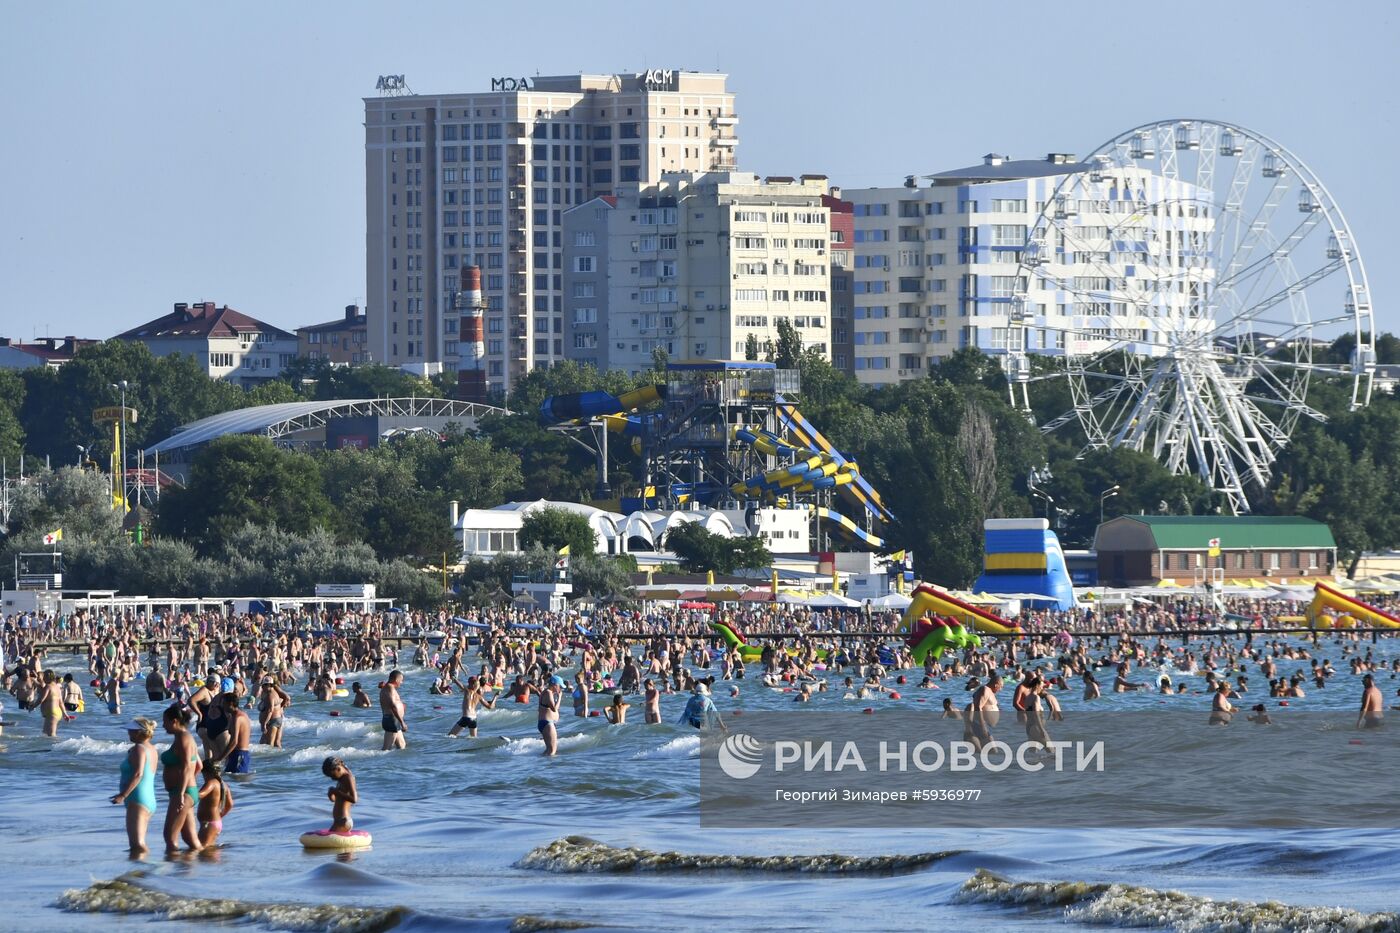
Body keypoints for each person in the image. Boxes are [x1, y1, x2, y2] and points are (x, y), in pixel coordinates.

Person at [111, 717, 158, 856]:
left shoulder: (139, 748)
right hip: (147, 799)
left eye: (131, 731)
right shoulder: (151, 748)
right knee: (137, 844)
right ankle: (140, 873)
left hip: (138, 799)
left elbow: (138, 774)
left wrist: (122, 795)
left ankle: (148, 873)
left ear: (139, 732)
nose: (129, 734)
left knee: (137, 845)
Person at [159, 705, 203, 854]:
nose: (163, 725)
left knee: (170, 836)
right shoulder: (182, 738)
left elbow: (186, 767)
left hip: (182, 793)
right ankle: (200, 866)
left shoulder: (184, 739)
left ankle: (171, 872)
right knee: (190, 839)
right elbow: (199, 765)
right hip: (185, 792)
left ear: (175, 721)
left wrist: (181, 792)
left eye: (165, 721)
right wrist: (189, 782)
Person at [197, 759, 234, 848]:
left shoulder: (211, 783)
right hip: (215, 822)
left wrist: (188, 791)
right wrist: (220, 815)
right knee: (209, 848)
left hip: (209, 823)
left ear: (207, 772)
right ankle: (216, 860)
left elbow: (200, 795)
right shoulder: (224, 785)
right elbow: (230, 804)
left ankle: (216, 860)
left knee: (203, 848)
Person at [220, 693, 253, 775]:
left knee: (237, 782)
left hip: (240, 754)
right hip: (236, 754)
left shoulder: (238, 718)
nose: (222, 706)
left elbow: (234, 741)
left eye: (223, 703)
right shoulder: (237, 716)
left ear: (230, 704)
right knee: (230, 781)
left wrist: (220, 758)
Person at [322, 757, 357, 831]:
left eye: (332, 775)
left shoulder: (349, 777)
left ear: (338, 768)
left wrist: (336, 792)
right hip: (338, 821)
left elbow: (354, 799)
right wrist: (331, 795)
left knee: (327, 841)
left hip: (343, 821)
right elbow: (338, 800)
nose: (332, 778)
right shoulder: (341, 779)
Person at [258, 677, 290, 748]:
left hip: (273, 721)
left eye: (263, 686)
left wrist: (265, 723)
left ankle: (271, 759)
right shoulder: (274, 693)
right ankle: (277, 758)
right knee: (270, 743)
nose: (262, 688)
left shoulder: (270, 696)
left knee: (270, 745)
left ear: (268, 685)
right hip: (276, 720)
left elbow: (270, 710)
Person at [379, 670, 407, 751]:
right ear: (396, 679)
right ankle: (379, 762)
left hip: (394, 720)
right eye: (401, 680)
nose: (401, 682)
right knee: (386, 749)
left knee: (402, 746)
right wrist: (402, 722)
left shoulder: (388, 688)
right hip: (392, 720)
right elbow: (393, 706)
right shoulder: (389, 688)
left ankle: (398, 763)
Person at [538, 674, 563, 756]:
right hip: (547, 723)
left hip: (544, 722)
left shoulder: (545, 692)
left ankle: (542, 763)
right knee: (552, 751)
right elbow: (554, 709)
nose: (560, 689)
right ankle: (548, 767)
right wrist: (559, 697)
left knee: (549, 749)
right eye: (560, 686)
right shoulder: (548, 693)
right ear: (555, 685)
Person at [38, 669, 63, 737]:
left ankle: (56, 746)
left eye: (44, 677)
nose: (43, 679)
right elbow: (61, 702)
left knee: (51, 735)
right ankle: (46, 747)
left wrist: (33, 706)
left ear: (47, 677)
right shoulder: (57, 687)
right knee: (45, 733)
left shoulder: (48, 686)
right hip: (56, 712)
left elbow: (41, 699)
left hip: (52, 713)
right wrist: (65, 714)